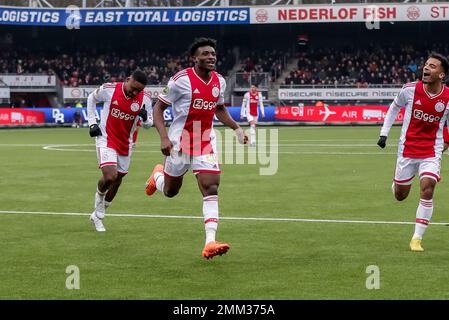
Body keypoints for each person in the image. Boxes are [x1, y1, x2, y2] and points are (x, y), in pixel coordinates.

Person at [144, 38, 248, 259]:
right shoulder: (180, 80)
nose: (211, 57)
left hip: (205, 142)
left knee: (211, 187)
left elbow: (219, 109)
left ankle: (210, 242)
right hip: (178, 144)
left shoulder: (219, 81)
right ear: (194, 58)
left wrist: (237, 128)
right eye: (205, 54)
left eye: (213, 53)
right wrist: (163, 138)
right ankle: (157, 178)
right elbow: (158, 109)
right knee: (171, 192)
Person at [377, 53, 449, 252]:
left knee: (428, 187)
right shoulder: (409, 90)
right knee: (400, 196)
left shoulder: (448, 97)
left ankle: (416, 239)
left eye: (432, 66)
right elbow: (394, 108)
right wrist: (384, 134)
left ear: (441, 75)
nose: (426, 68)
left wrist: (447, 141)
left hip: (431, 151)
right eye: (426, 64)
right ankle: (397, 183)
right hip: (407, 150)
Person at [87, 70, 153, 232]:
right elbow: (91, 98)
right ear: (128, 79)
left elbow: (148, 125)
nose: (135, 92)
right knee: (110, 176)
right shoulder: (109, 89)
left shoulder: (145, 99)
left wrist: (144, 118)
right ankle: (99, 207)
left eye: (139, 90)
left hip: (126, 143)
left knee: (118, 180)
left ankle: (98, 214)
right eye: (133, 88)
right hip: (106, 139)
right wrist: (92, 123)